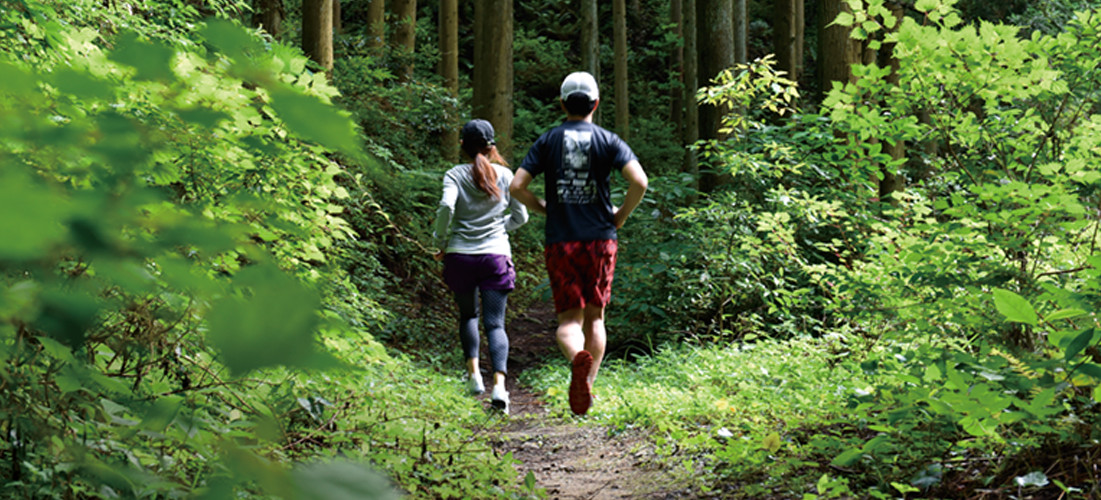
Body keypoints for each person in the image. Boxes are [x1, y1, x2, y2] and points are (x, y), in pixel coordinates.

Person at [509, 71, 648, 416]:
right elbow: (639, 181)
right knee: (595, 319)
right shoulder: (609, 140)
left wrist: (542, 208)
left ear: (562, 104)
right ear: (596, 104)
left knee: (568, 323)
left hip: (561, 240)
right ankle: (588, 385)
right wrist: (621, 216)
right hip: (601, 239)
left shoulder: (547, 141)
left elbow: (515, 186)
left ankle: (576, 359)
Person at [433, 119, 529, 415]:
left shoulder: (454, 174)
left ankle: (474, 375)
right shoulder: (505, 174)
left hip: (460, 256)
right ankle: (499, 387)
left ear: (461, 144)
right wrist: (501, 229)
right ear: (491, 147)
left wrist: (440, 240)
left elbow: (447, 207)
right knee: (495, 323)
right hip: (495, 257)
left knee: (467, 316)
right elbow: (522, 216)